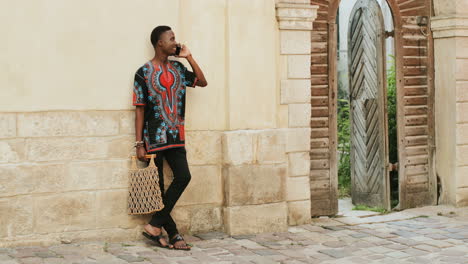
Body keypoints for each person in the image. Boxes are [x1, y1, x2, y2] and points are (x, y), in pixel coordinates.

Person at [132, 25, 207, 250]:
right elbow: (139, 109)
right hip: (153, 139)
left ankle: (155, 225)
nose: (176, 42)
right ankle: (173, 234)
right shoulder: (143, 73)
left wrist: (190, 57)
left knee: (183, 177)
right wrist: (139, 144)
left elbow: (202, 82)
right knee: (158, 189)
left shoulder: (178, 68)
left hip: (176, 135)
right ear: (160, 44)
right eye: (171, 38)